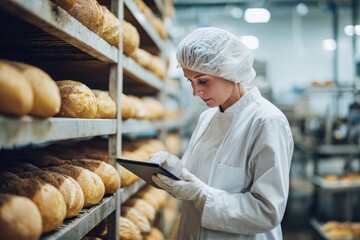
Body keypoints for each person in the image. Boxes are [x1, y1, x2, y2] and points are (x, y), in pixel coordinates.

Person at [149, 27, 294, 240]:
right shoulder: (207, 118)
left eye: (203, 81)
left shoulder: (267, 121)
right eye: (190, 81)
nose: (195, 92)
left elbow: (267, 211)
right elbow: (194, 177)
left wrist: (201, 197)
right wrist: (174, 168)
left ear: (229, 71)